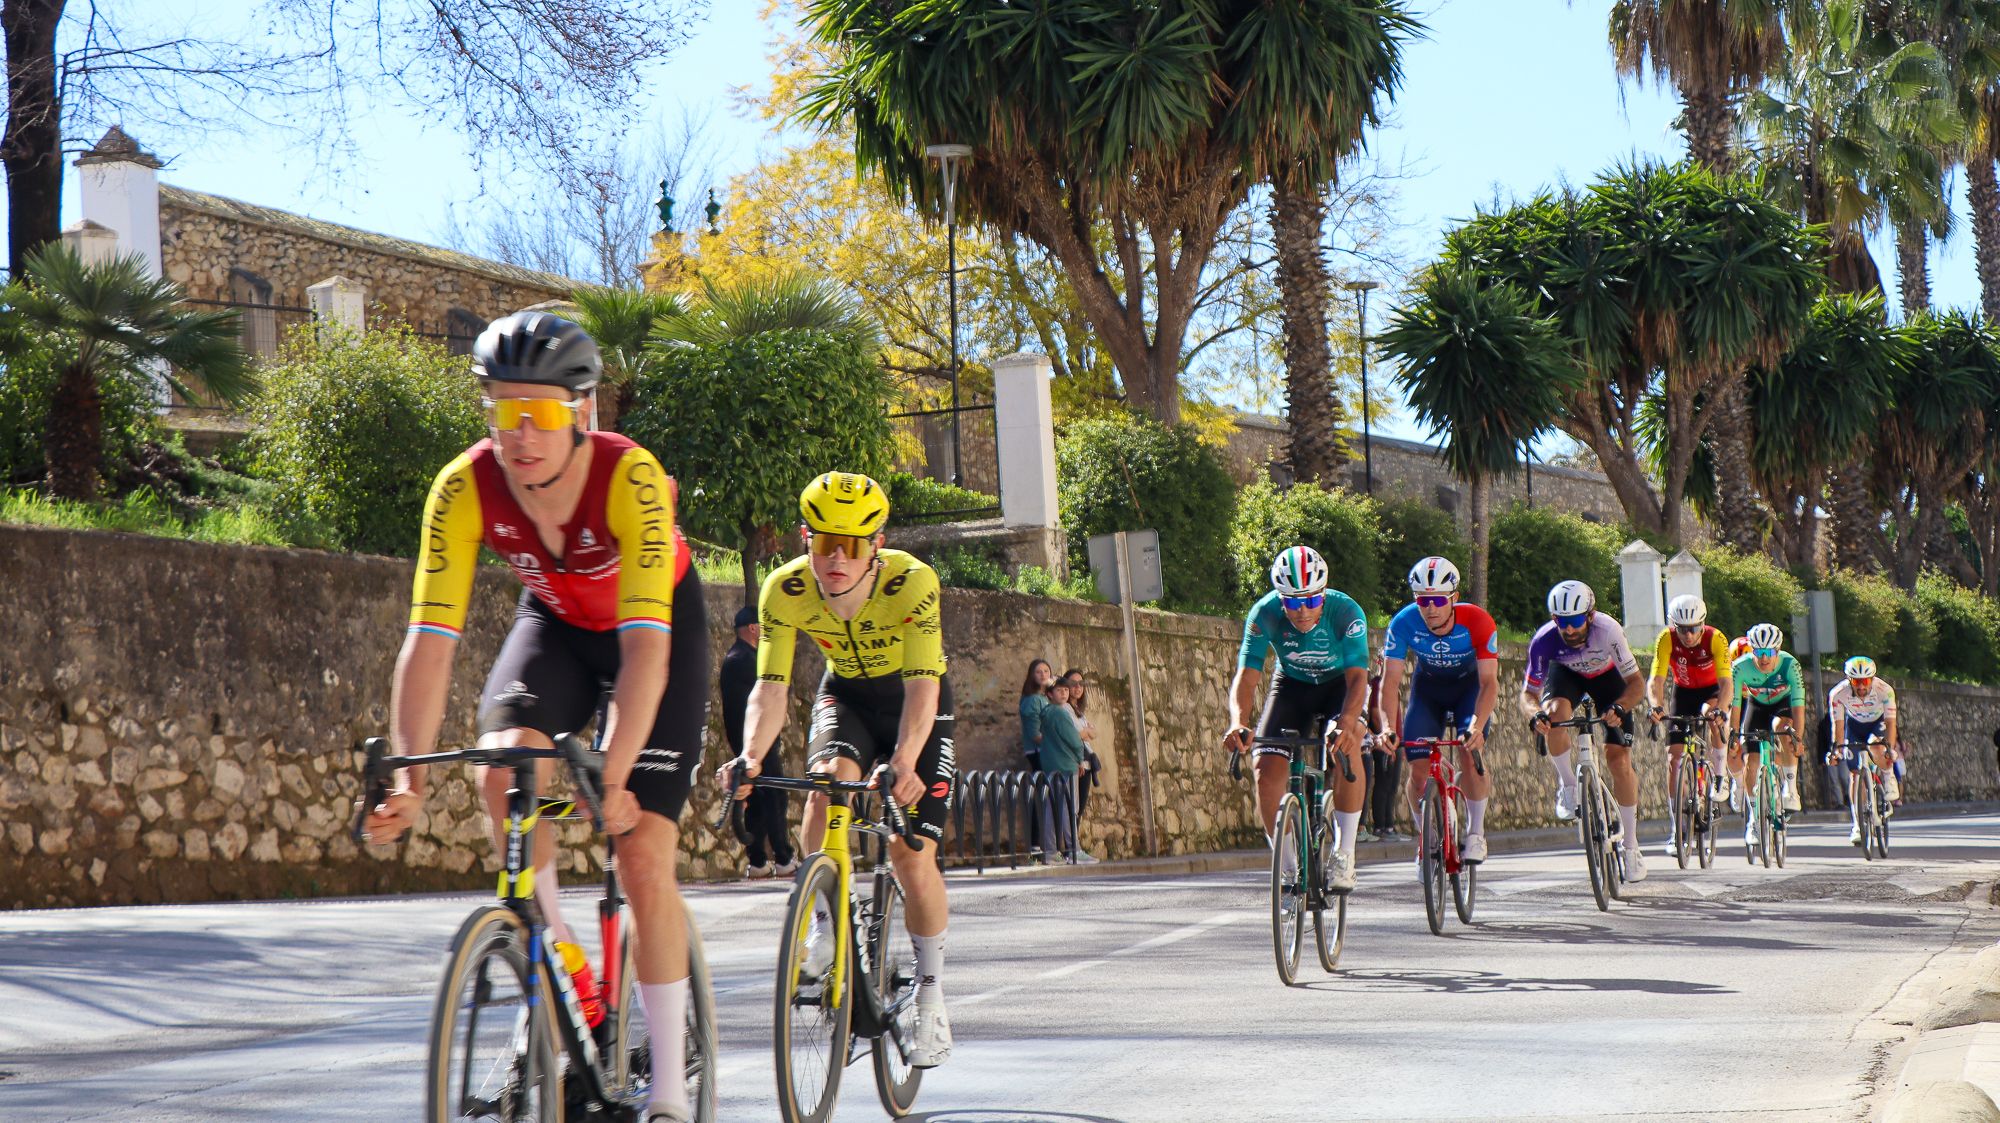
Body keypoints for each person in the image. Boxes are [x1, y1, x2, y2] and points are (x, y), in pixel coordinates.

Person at [363, 312, 709, 1123]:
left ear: (581, 411)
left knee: (641, 854)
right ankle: (561, 969)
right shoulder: (463, 486)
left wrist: (615, 774)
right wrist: (408, 777)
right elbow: (429, 642)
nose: (520, 434)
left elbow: (646, 654)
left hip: (652, 631)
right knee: (502, 766)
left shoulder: (628, 477)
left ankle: (667, 1090)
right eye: (503, 409)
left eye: (541, 412)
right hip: (556, 626)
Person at [717, 472, 957, 1069]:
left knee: (910, 854)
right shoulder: (785, 589)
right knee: (824, 787)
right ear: (807, 540)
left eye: (853, 545)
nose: (838, 560)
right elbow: (770, 688)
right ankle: (824, 924)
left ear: (877, 545)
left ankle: (931, 996)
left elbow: (923, 687)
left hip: (913, 703)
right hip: (845, 695)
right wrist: (750, 758)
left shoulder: (911, 582)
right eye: (826, 544)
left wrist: (904, 761)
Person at [1222, 546, 1370, 893]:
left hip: (1340, 686)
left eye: (1311, 600)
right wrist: (1238, 721)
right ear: (1280, 598)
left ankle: (1345, 854)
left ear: (1324, 594)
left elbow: (1358, 678)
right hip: (1292, 686)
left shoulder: (1347, 612)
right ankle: (1288, 870)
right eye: (1292, 602)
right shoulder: (1264, 613)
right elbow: (1247, 677)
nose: (1302, 610)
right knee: (1264, 770)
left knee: (1347, 747)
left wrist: (1347, 722)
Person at [1522, 580, 1650, 882]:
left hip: (1607, 678)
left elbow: (1636, 684)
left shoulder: (1608, 630)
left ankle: (1631, 846)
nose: (1569, 629)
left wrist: (1620, 707)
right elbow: (1528, 694)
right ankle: (1568, 786)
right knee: (1554, 714)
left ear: (1590, 615)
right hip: (1567, 675)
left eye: (1576, 620)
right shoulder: (1544, 640)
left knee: (1619, 761)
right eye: (1561, 621)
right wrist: (1535, 714)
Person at [1376, 557, 1501, 864]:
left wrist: (1477, 725)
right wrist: (1386, 728)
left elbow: (1489, 683)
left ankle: (1476, 833)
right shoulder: (1403, 623)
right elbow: (1389, 683)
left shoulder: (1478, 621)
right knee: (1418, 770)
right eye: (1422, 600)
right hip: (1429, 690)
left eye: (1438, 600)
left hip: (1469, 689)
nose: (1430, 608)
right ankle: (1427, 836)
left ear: (1454, 598)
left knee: (1469, 755)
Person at [1645, 594, 1733, 855]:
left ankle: (1720, 776)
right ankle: (1677, 829)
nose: (1689, 635)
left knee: (1712, 716)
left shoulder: (1715, 638)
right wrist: (1656, 706)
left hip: (1711, 691)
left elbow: (1727, 682)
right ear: (1674, 626)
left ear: (1702, 623)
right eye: (1682, 629)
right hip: (1683, 693)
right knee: (1673, 760)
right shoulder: (1666, 638)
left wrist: (1722, 709)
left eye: (1694, 628)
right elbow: (1656, 679)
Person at [723, 604, 795, 878]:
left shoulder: (736, 657)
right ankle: (783, 858)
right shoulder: (746, 660)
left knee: (759, 800)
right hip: (757, 744)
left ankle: (757, 862)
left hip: (747, 742)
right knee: (776, 795)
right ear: (753, 628)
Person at [1727, 622, 1807, 846]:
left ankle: (1791, 789)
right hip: (1757, 707)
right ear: (1752, 650)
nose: (1764, 658)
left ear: (1777, 650)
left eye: (1770, 652)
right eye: (1759, 652)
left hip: (1783, 704)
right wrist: (1734, 735)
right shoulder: (1740, 667)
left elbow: (1799, 705)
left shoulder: (1790, 664)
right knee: (1751, 762)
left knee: (1783, 729)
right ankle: (1754, 819)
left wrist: (1798, 737)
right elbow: (1735, 705)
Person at [1827, 655, 1902, 846]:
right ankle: (1858, 824)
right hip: (1854, 726)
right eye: (1856, 682)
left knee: (1877, 746)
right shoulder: (1838, 693)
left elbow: (1891, 723)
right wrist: (1836, 750)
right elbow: (1838, 725)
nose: (1861, 687)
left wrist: (1890, 749)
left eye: (1865, 682)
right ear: (1849, 680)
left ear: (1872, 679)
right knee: (1854, 775)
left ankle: (1888, 777)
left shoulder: (1885, 690)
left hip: (1878, 723)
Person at [1039, 676, 1089, 861]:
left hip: (1050, 764)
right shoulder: (1061, 713)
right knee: (1069, 808)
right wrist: (1080, 759)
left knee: (1052, 808)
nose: (1064, 693)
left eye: (1066, 690)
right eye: (1059, 690)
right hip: (1066, 765)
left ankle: (1051, 851)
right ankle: (1074, 850)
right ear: (1050, 694)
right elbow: (1074, 740)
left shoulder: (1046, 713)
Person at [1060, 668, 1103, 824]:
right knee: (1072, 810)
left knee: (1078, 811)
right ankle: (1071, 840)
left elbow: (1094, 733)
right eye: (1073, 683)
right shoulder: (1064, 708)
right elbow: (1076, 735)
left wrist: (1087, 732)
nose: (1078, 687)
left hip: (1086, 762)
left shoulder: (1078, 710)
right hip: (1076, 763)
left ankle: (1074, 839)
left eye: (1081, 683)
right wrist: (1087, 731)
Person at [1362, 653, 1397, 842]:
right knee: (1382, 784)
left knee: (1391, 785)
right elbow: (1375, 714)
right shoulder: (1377, 684)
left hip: (1392, 740)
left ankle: (1389, 826)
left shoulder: (1391, 685)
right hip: (1380, 742)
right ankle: (1380, 826)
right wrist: (1382, 737)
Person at [1018, 659, 1054, 773]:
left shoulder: (1046, 697)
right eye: (1038, 672)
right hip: (1039, 751)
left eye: (1046, 671)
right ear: (1032, 675)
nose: (1043, 675)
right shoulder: (1032, 699)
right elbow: (1035, 734)